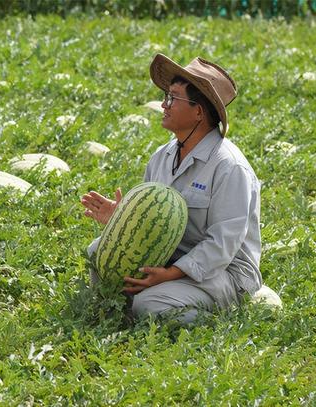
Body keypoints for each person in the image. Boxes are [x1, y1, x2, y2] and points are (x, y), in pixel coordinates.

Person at [81, 54, 262, 324]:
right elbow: (153, 220)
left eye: (173, 98)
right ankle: (121, 310)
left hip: (224, 274)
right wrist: (122, 220)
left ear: (198, 112)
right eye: (166, 96)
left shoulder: (230, 167)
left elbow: (222, 246)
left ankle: (222, 318)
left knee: (149, 303)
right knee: (98, 251)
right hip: (172, 257)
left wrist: (171, 274)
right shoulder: (162, 156)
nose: (164, 105)